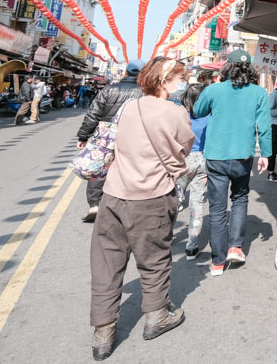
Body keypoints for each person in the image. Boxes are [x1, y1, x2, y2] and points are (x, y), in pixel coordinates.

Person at [88, 57, 193, 360]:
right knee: (154, 260)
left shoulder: (129, 107)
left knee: (106, 263)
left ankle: (103, 332)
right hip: (152, 197)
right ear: (164, 82)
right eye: (179, 78)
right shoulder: (175, 113)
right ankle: (157, 316)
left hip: (113, 195)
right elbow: (184, 148)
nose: (182, 82)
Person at [192, 49, 271, 277]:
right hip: (243, 156)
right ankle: (235, 247)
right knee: (239, 198)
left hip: (216, 155)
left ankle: (217, 262)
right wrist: (265, 154)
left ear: (227, 68)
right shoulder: (259, 93)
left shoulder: (214, 89)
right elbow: (264, 127)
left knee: (217, 208)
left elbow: (197, 111)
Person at [77, 60, 146, 223]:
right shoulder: (145, 92)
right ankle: (125, 204)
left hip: (106, 134)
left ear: (125, 73)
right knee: (129, 168)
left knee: (99, 167)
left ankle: (95, 204)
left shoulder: (108, 90)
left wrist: (83, 136)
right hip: (133, 136)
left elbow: (93, 114)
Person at [178, 84, 210, 260]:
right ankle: (192, 244)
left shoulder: (180, 115)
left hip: (182, 160)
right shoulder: (210, 116)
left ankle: (164, 236)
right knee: (197, 203)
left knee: (174, 198)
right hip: (203, 161)